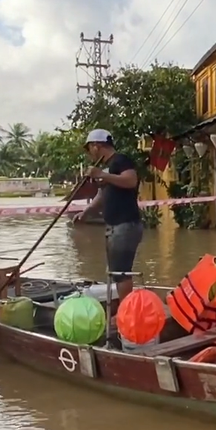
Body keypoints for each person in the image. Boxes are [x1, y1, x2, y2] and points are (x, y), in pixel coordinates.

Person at [81, 129, 143, 301]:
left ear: (97, 146)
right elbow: (103, 195)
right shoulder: (108, 167)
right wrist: (87, 212)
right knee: (115, 271)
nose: (90, 153)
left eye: (89, 148)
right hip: (114, 226)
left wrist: (102, 174)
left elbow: (131, 180)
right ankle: (122, 307)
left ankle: (126, 311)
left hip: (125, 224)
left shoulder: (120, 160)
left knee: (121, 272)